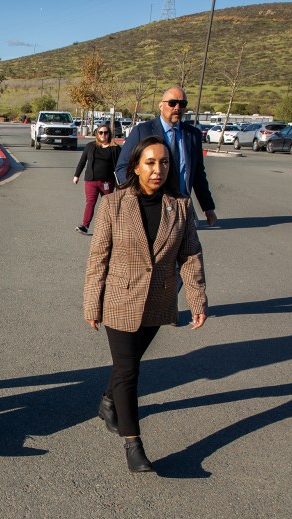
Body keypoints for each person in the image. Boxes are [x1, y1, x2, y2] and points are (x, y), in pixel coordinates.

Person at [83, 136, 208, 473]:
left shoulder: (180, 206)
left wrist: (197, 298)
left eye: (164, 162)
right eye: (150, 162)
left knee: (130, 360)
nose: (158, 169)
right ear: (135, 166)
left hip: (158, 299)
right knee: (129, 370)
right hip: (120, 298)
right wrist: (91, 303)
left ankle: (108, 401)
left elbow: (190, 255)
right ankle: (133, 444)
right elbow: (98, 257)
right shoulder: (113, 204)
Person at [115, 87, 217, 226]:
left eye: (182, 104)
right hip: (150, 204)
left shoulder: (192, 135)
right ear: (161, 105)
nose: (177, 107)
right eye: (172, 103)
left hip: (181, 206)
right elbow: (122, 167)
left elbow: (198, 174)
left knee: (187, 247)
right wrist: (137, 194)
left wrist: (208, 207)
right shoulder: (142, 131)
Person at [73, 123, 121, 235]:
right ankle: (85, 226)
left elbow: (120, 165)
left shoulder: (115, 148)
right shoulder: (90, 146)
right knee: (90, 202)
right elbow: (82, 161)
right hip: (91, 180)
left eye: (106, 132)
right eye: (101, 132)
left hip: (107, 182)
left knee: (108, 204)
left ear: (109, 134)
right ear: (97, 134)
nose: (103, 135)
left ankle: (110, 228)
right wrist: (77, 175)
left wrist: (123, 180)